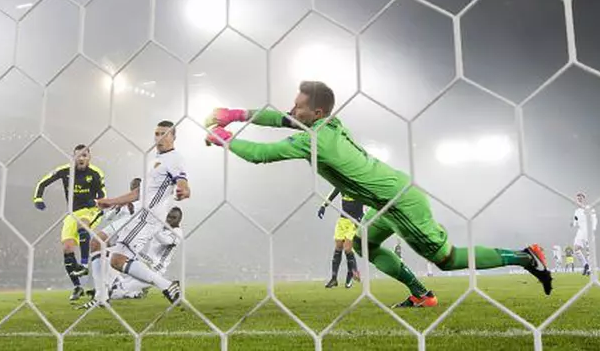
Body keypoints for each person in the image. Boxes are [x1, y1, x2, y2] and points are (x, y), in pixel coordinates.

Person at [204, 81, 552, 308]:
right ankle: (420, 294)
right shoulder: (329, 124)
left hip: (400, 205)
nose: (293, 111)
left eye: (299, 107)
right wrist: (237, 115)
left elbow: (260, 155)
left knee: (448, 260)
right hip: (389, 195)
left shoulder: (314, 140)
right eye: (293, 106)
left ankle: (525, 257)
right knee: (362, 243)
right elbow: (280, 117)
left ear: (318, 113)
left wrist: (222, 134)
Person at [86, 121, 190, 307]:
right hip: (139, 216)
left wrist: (183, 190)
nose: (159, 138)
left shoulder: (175, 159)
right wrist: (111, 201)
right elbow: (138, 194)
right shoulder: (153, 161)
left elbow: (182, 181)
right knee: (106, 251)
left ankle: (165, 285)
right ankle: (103, 295)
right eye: (157, 133)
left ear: (173, 137)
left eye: (164, 134)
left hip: (149, 217)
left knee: (117, 259)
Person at [33, 144, 105, 301]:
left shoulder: (95, 173)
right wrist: (38, 198)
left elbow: (102, 193)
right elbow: (43, 182)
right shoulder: (65, 171)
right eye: (78, 155)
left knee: (82, 224)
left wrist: (96, 201)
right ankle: (77, 286)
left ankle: (84, 265)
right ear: (73, 157)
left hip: (90, 210)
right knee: (67, 248)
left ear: (89, 157)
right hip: (72, 213)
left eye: (84, 155)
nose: (81, 158)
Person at [110, 207, 183, 300]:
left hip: (156, 267)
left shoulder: (177, 232)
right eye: (168, 216)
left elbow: (164, 240)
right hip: (145, 262)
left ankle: (113, 289)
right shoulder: (161, 227)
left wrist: (155, 228)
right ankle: (110, 287)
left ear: (179, 220)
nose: (169, 219)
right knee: (115, 253)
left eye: (173, 218)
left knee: (120, 291)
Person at [317, 189, 363, 288]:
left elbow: (366, 201)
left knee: (347, 248)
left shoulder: (357, 185)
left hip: (354, 221)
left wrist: (361, 217)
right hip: (343, 220)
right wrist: (323, 206)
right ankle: (334, 279)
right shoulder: (341, 184)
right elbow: (332, 194)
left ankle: (351, 273)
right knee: (338, 247)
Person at [572, 191, 598, 276]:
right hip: (580, 231)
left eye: (581, 197)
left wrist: (593, 229)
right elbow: (575, 221)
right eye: (578, 197)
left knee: (589, 251)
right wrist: (573, 223)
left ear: (584, 199)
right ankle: (585, 265)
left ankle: (590, 269)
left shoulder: (589, 208)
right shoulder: (576, 211)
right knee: (576, 249)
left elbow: (594, 219)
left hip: (588, 231)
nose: (579, 198)